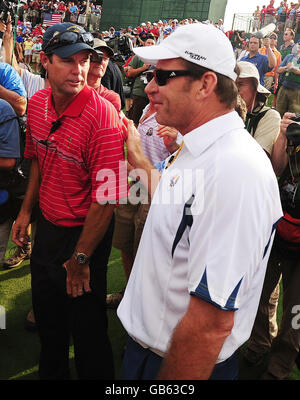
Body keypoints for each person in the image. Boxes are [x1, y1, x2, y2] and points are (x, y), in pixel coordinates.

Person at [117, 23, 282, 380]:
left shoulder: (235, 169)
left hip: (178, 360)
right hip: (152, 350)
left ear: (206, 84)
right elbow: (177, 209)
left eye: (163, 76)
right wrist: (141, 163)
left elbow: (210, 325)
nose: (149, 86)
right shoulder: (197, 149)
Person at [11, 22, 127, 380]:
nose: (79, 70)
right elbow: (37, 159)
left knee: (89, 334)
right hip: (48, 228)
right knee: (49, 325)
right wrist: (26, 212)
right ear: (45, 61)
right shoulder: (39, 103)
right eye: (68, 60)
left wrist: (81, 258)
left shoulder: (103, 116)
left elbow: (107, 198)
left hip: (85, 234)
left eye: (84, 60)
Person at [244, 112, 300, 380]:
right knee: (260, 292)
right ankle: (259, 343)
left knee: (295, 310)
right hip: (280, 224)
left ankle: (279, 369)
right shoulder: (295, 130)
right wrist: (282, 134)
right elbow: (277, 169)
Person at [236, 61, 281, 158]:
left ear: (255, 89)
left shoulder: (269, 116)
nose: (235, 89)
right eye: (231, 84)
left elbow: (257, 159)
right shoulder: (224, 113)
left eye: (240, 84)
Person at [126, 36, 156, 126]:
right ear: (144, 44)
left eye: (152, 43)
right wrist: (143, 68)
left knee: (149, 120)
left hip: (154, 94)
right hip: (140, 92)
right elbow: (130, 73)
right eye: (148, 43)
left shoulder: (157, 58)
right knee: (136, 119)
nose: (150, 45)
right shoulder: (138, 57)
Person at [276, 39, 300, 117]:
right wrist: (287, 67)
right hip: (284, 88)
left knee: (293, 116)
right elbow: (278, 70)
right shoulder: (289, 56)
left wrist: (293, 69)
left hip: (297, 91)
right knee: (278, 113)